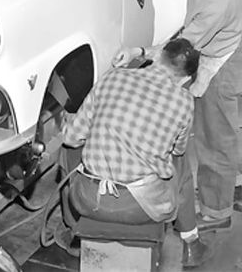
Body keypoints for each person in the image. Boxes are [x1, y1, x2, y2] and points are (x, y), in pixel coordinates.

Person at [115, 0, 242, 234]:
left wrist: (138, 53)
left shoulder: (215, 7)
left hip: (221, 62)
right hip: (223, 45)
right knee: (224, 128)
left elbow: (179, 49)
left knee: (213, 139)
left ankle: (216, 210)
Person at [57, 37, 213, 269]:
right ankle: (191, 242)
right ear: (186, 79)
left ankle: (74, 234)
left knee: (68, 148)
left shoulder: (112, 77)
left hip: (89, 199)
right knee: (180, 162)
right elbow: (177, 150)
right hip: (142, 206)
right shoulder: (184, 101)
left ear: (159, 58)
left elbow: (71, 137)